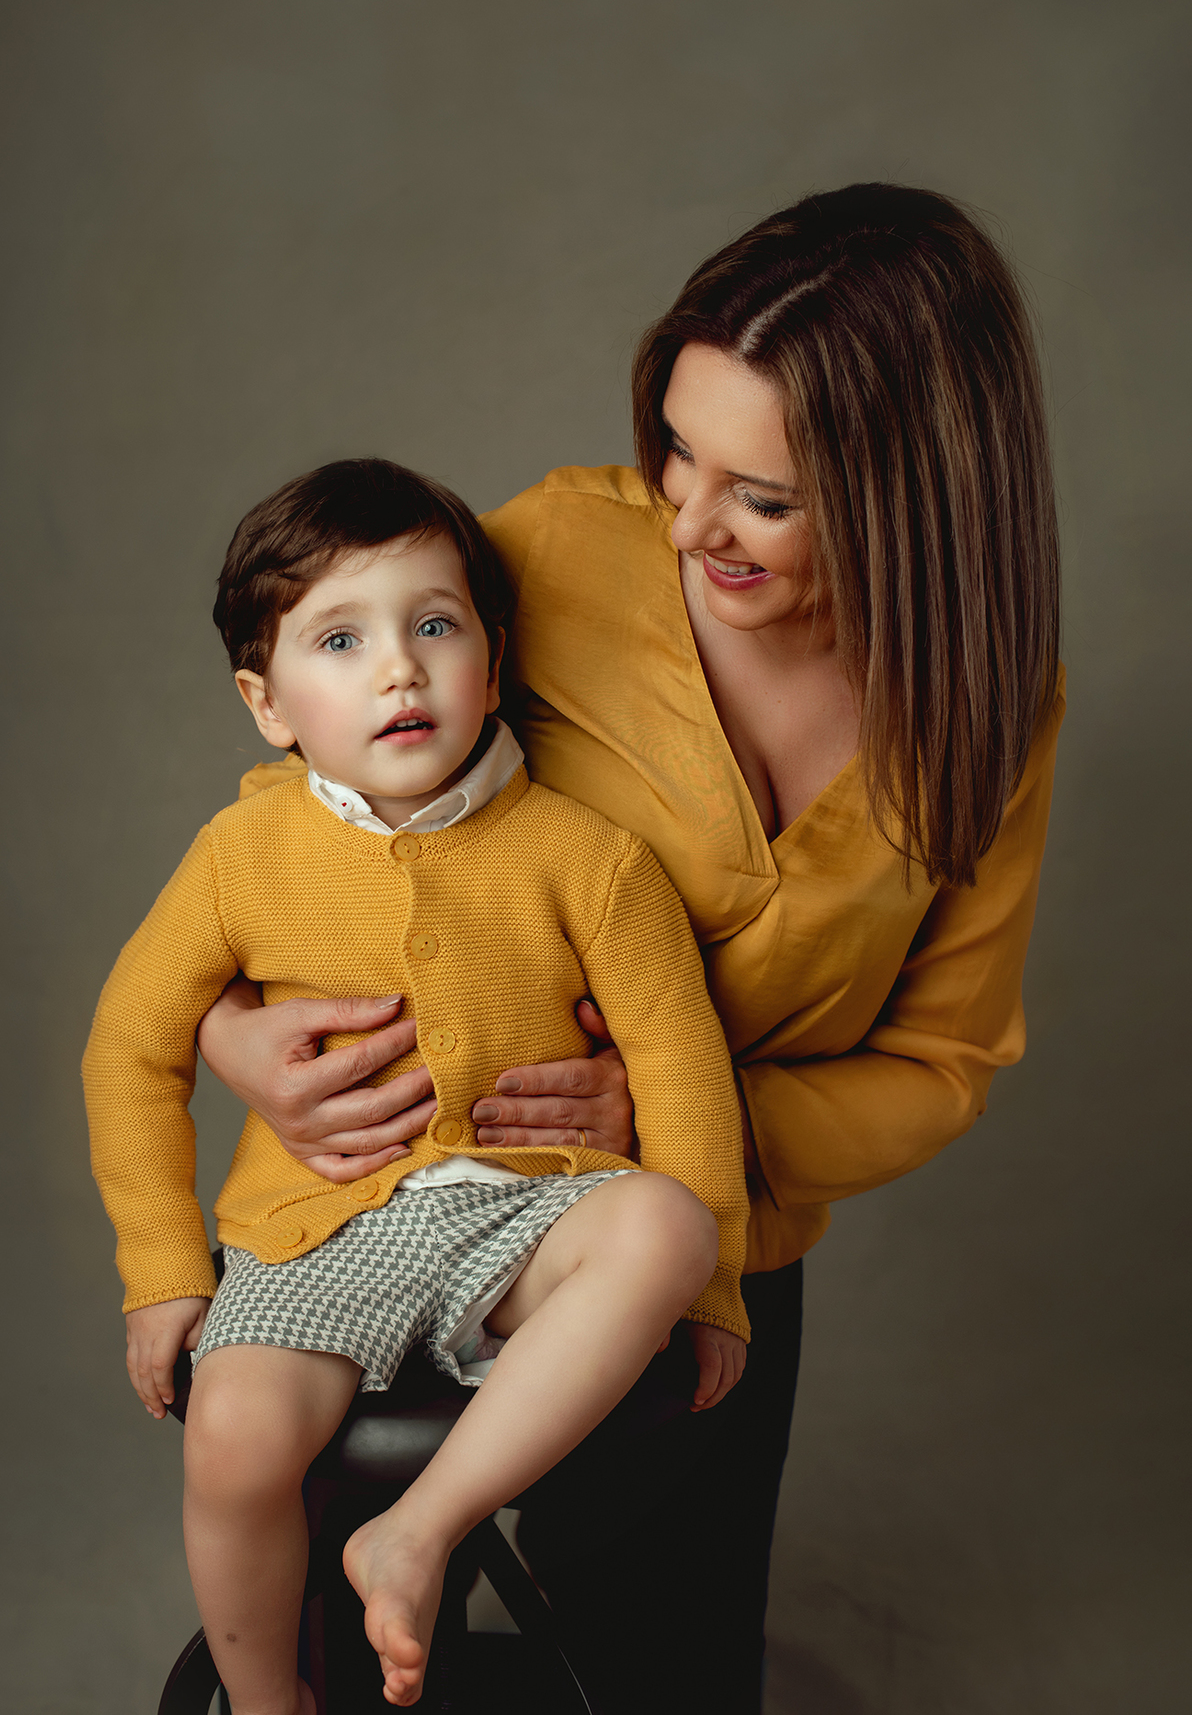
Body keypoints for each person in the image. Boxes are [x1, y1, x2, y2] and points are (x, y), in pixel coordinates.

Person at [195, 183, 1065, 1713]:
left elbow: (945, 1062)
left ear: (912, 490)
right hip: (396, 1186)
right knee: (346, 1662)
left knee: (668, 1666)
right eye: (677, 446)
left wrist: (681, 1118)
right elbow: (309, 812)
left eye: (765, 495)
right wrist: (225, 1032)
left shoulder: (990, 702)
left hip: (712, 1246)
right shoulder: (549, 553)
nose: (689, 515)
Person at [83, 458, 753, 1713]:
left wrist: (711, 1283)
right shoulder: (242, 856)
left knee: (667, 1221)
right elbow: (130, 1045)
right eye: (341, 639)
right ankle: (270, 1698)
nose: (400, 668)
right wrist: (163, 1267)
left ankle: (417, 1529)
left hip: (521, 1214)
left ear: (492, 668)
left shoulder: (591, 860)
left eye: (434, 626)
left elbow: (678, 1061)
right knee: (234, 1439)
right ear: (267, 701)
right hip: (315, 1232)